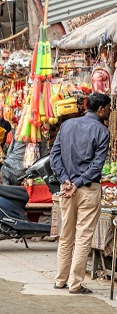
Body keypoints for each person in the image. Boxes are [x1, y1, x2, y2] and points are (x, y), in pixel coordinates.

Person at [51, 92, 111, 294]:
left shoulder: (67, 125)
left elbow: (55, 156)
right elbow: (96, 166)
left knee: (66, 236)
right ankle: (75, 284)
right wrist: (76, 182)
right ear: (101, 109)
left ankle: (60, 280)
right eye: (109, 108)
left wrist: (65, 180)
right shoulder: (102, 131)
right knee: (83, 237)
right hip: (87, 189)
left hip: (68, 189)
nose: (110, 112)